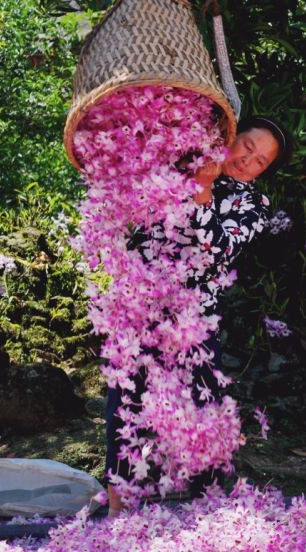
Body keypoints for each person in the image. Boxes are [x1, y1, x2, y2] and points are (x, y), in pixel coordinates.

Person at [105, 115, 294, 516]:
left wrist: (204, 192)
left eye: (261, 161)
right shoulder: (179, 163)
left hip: (194, 318)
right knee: (125, 400)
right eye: (247, 146)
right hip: (139, 305)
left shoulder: (252, 203)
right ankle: (119, 508)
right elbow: (134, 221)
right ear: (231, 136)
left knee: (201, 404)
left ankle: (205, 504)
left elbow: (220, 248)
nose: (248, 161)